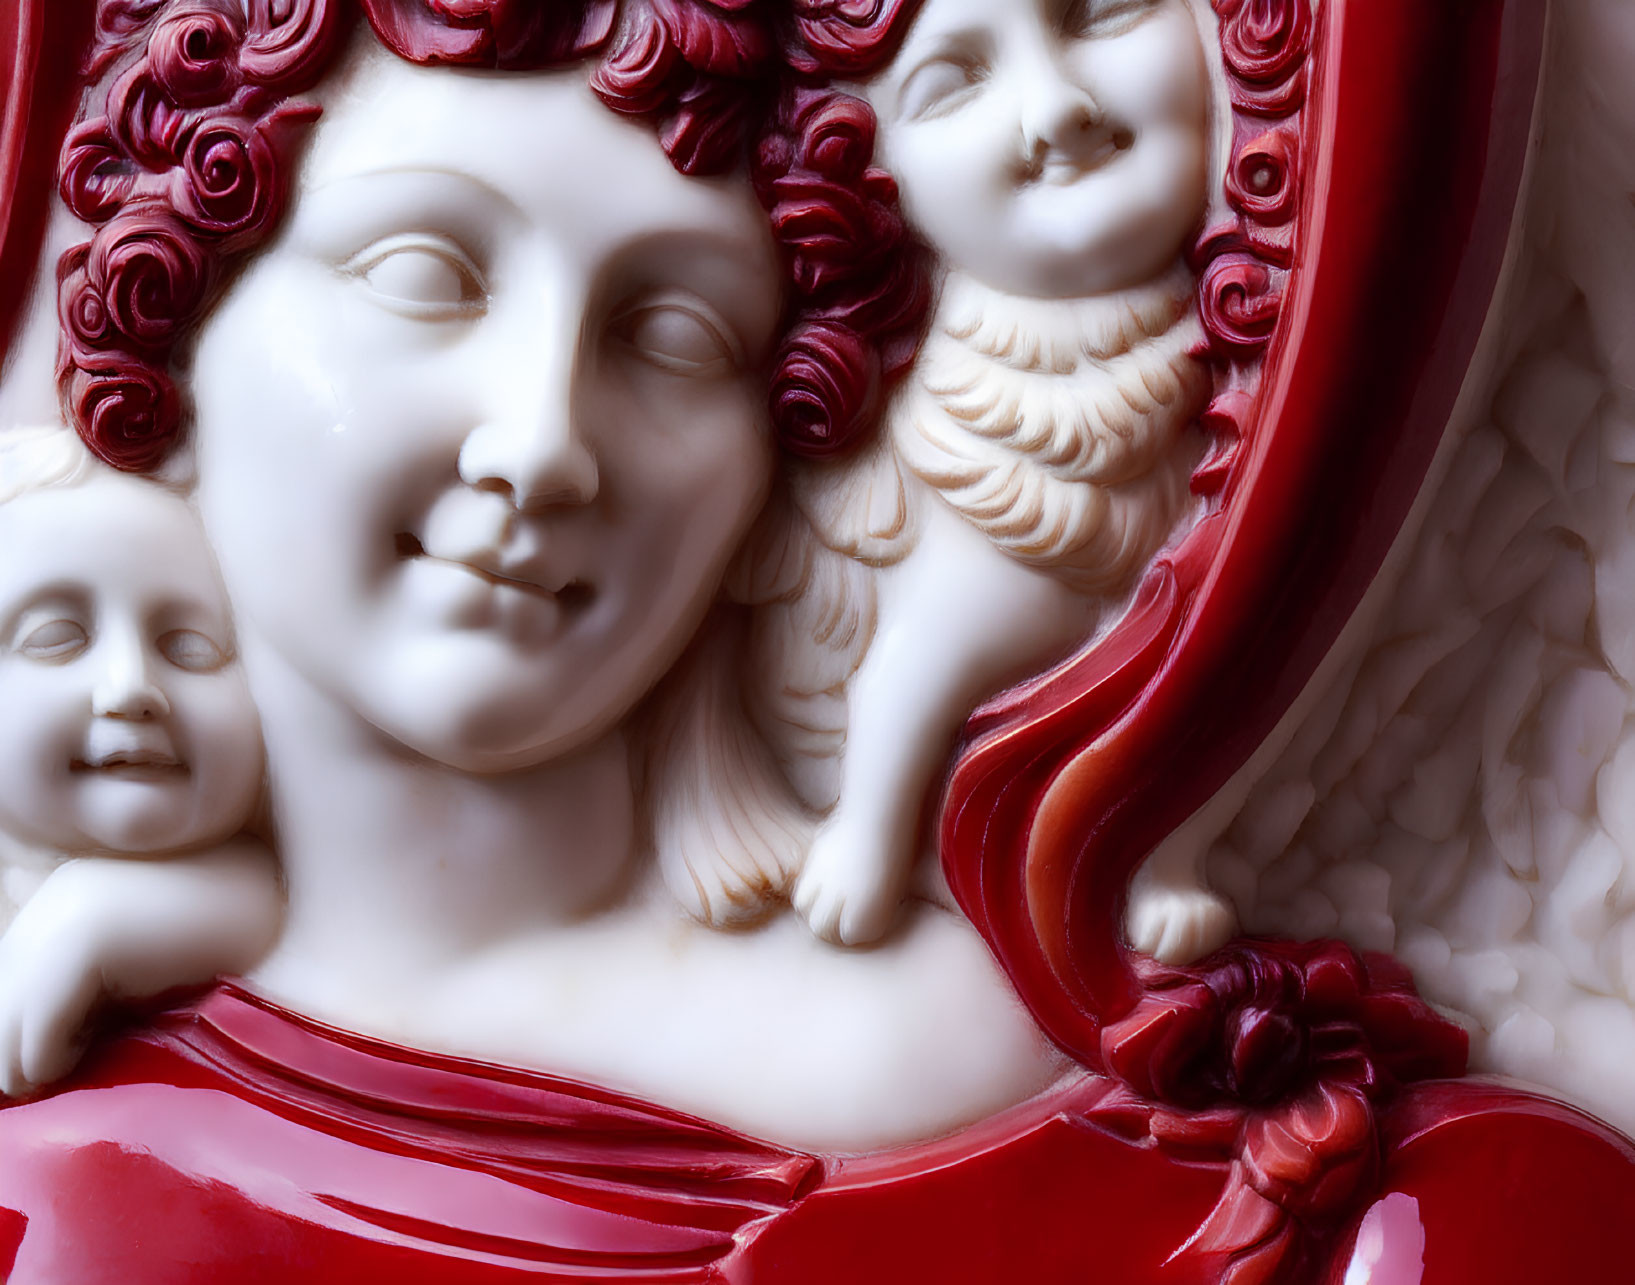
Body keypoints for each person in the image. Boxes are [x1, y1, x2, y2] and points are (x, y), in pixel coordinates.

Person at [0, 2, 1633, 1283]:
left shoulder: (1090, 1097)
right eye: (426, 272)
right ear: (167, 318)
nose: (545, 442)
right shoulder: (77, 1180)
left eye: (676, 332)